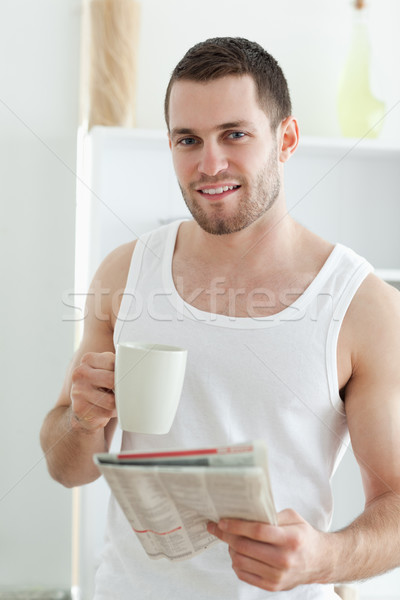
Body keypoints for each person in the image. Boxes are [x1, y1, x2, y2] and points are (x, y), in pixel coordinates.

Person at [40, 37, 400, 600]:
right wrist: (83, 422)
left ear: (286, 140)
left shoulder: (363, 305)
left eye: (235, 134)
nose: (210, 165)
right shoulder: (123, 274)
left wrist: (323, 559)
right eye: (188, 139)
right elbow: (68, 469)